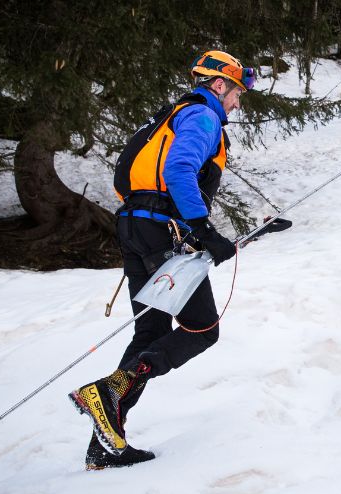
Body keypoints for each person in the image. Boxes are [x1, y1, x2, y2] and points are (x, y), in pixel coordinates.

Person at [68, 50, 257, 470]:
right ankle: (110, 391)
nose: (237, 104)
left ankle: (105, 443)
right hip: (159, 232)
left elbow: (134, 178)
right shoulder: (203, 117)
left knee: (150, 332)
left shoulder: (172, 116)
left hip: (133, 227)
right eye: (236, 93)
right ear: (219, 85)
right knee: (202, 329)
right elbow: (178, 171)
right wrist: (203, 231)